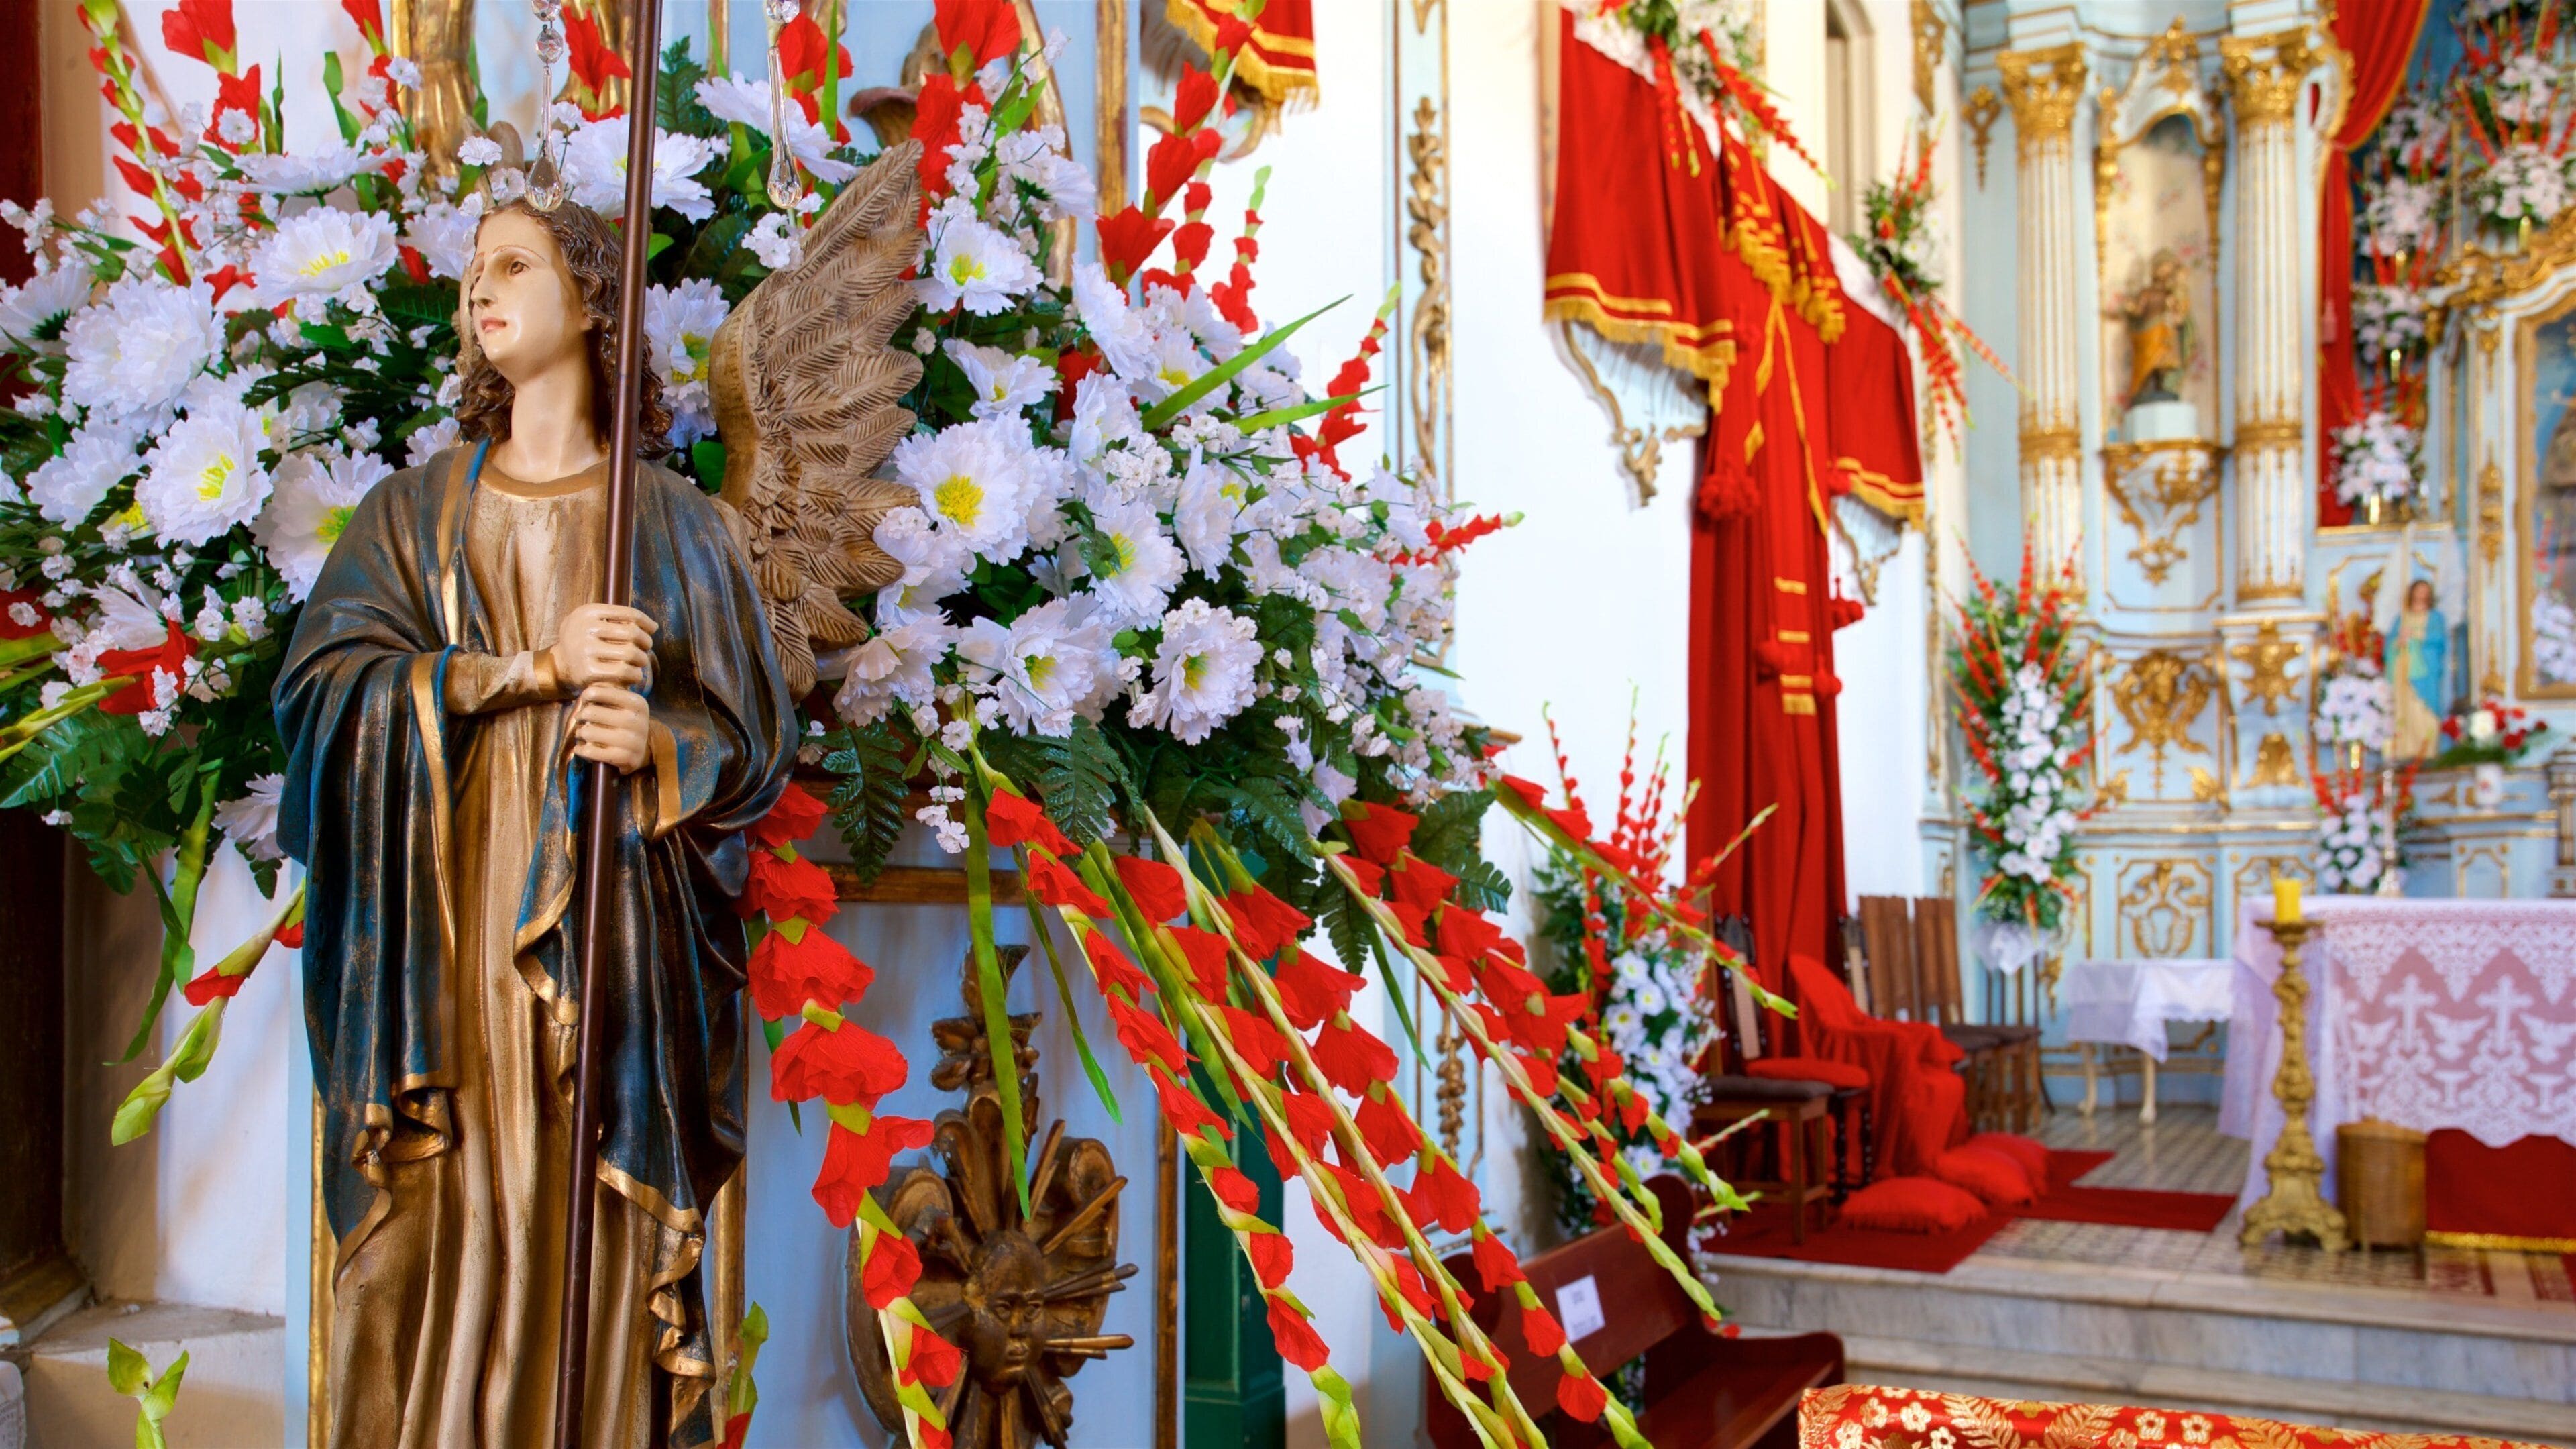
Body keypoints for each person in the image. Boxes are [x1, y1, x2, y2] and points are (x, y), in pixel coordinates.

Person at [276, 196, 792, 1448]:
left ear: (594, 299)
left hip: (605, 921)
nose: (480, 293)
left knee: (586, 1189)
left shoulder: (675, 523)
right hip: (445, 915)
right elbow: (322, 694)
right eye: (470, 276)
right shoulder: (411, 513)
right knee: (456, 1197)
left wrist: (659, 746)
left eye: (514, 265)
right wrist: (529, 671)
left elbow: (757, 737)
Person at [2383, 577, 2448, 762]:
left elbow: (2439, 642)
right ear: (2412, 592)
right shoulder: (2401, 618)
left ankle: (2428, 749)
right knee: (2405, 707)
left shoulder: (2435, 617)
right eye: (2418, 590)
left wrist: (2415, 638)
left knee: (2425, 708)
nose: (2421, 594)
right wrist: (2399, 642)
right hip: (2404, 670)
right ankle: (2405, 748)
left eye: (2425, 590)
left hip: (2425, 670)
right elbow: (2390, 646)